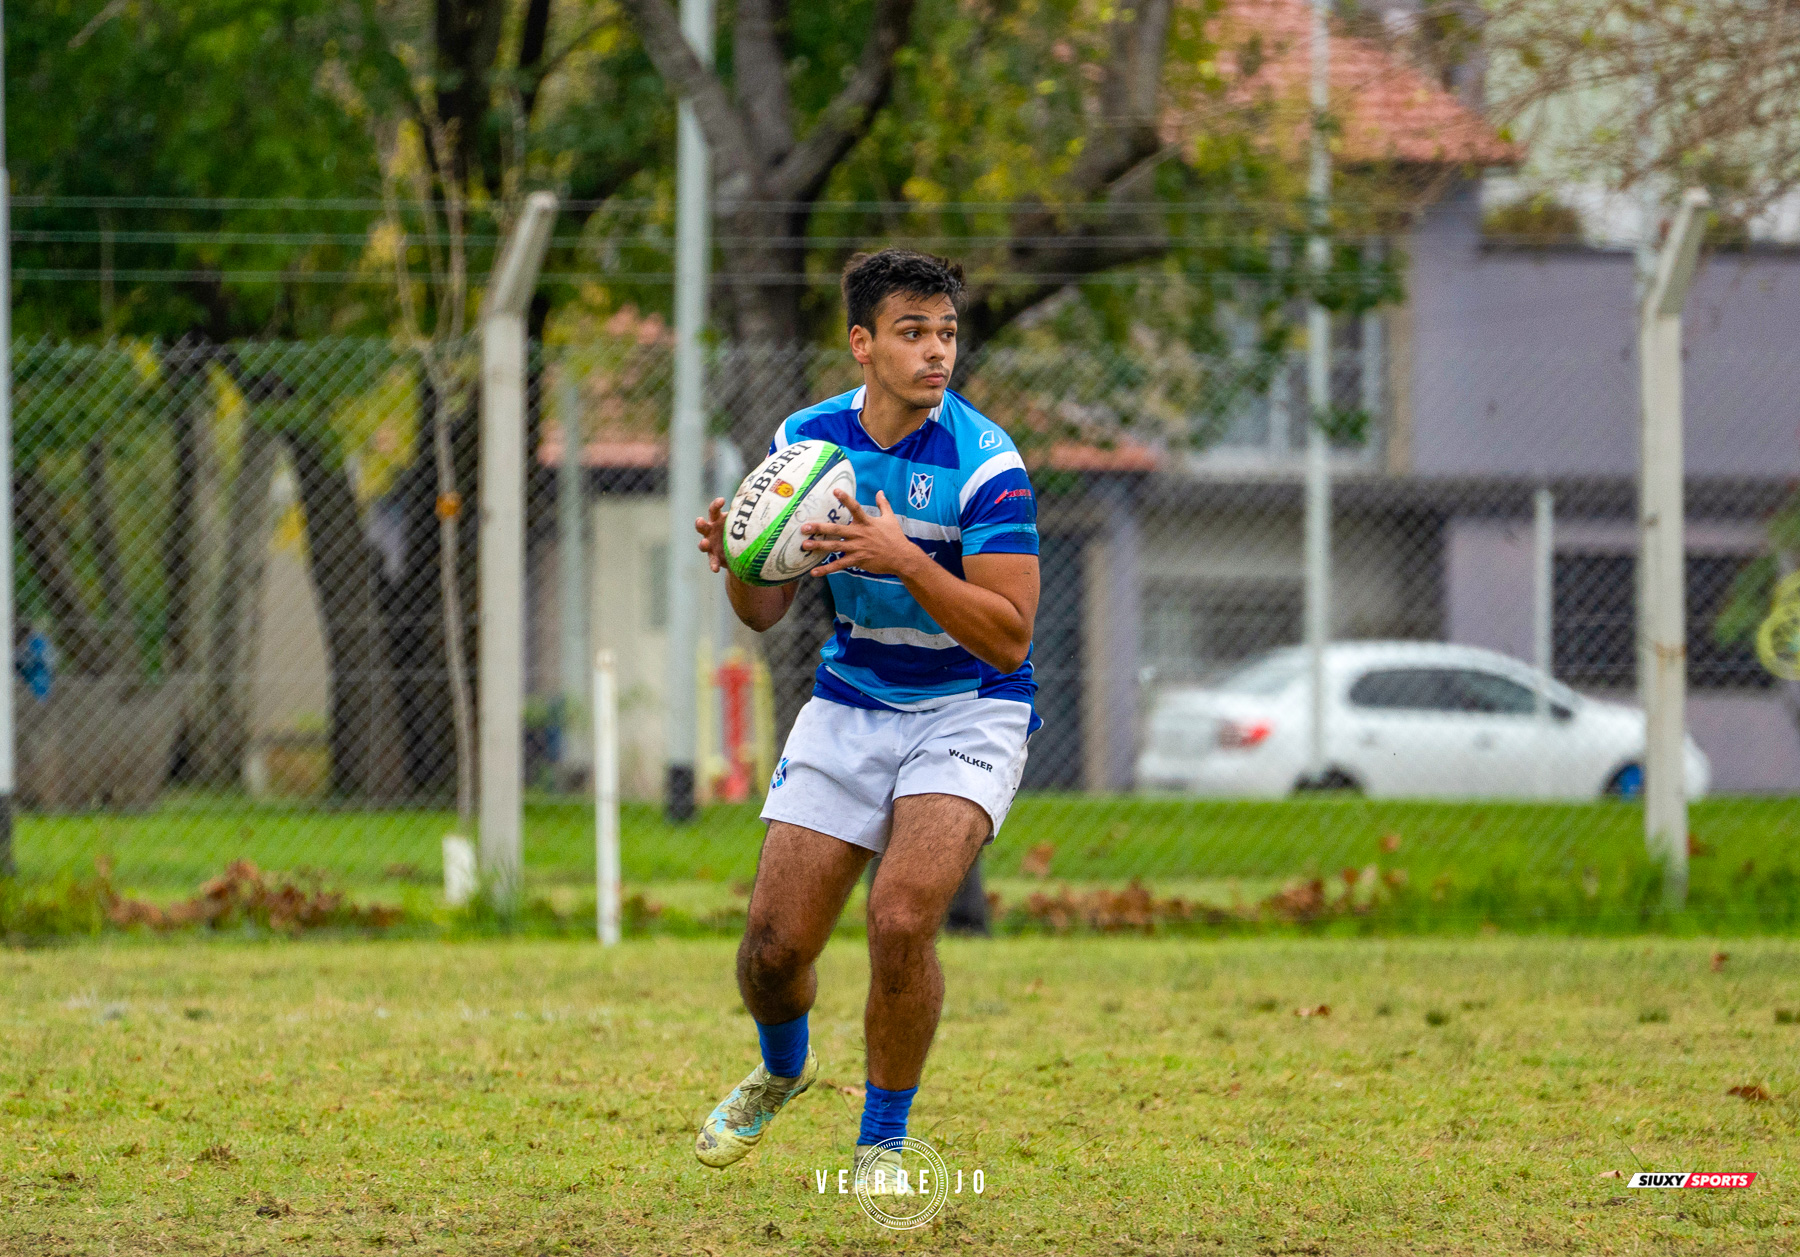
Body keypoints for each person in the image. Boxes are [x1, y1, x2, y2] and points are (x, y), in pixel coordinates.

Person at [690, 249, 1040, 1188]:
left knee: (900, 917)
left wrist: (908, 559)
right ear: (862, 343)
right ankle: (781, 1068)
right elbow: (765, 614)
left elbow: (1009, 638)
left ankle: (882, 1142)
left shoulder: (988, 464)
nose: (937, 353)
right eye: (913, 332)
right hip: (851, 703)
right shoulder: (807, 443)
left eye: (948, 333)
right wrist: (744, 555)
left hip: (969, 708)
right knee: (771, 951)